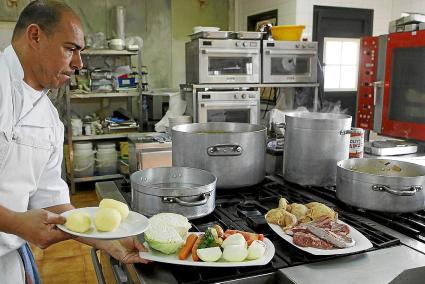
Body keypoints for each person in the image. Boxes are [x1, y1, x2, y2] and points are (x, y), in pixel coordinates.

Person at [0, 1, 148, 283]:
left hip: (9, 263)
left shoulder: (49, 119)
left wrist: (109, 240)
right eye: (71, 49)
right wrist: (16, 223)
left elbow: (52, 202)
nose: (79, 64)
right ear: (35, 36)